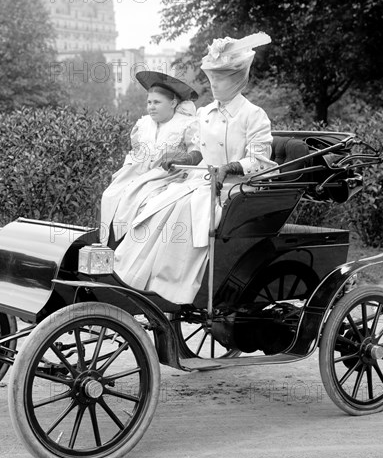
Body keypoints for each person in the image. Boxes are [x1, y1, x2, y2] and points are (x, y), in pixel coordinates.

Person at [113, 33, 277, 304]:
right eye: (212, 78)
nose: (214, 85)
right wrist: (185, 159)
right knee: (157, 204)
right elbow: (200, 151)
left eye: (220, 78)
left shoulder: (253, 115)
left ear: (236, 80)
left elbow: (260, 161)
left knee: (184, 211)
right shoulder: (206, 113)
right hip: (202, 180)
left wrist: (229, 167)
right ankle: (134, 275)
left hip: (237, 187)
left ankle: (170, 284)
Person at [100, 71, 201, 245]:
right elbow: (137, 151)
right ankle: (109, 245)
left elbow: (197, 152)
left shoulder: (186, 124)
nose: (151, 107)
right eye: (149, 102)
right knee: (111, 194)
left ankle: (131, 246)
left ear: (173, 103)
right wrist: (130, 166)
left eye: (157, 102)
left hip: (169, 176)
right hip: (138, 173)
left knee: (143, 201)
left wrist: (182, 159)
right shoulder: (144, 124)